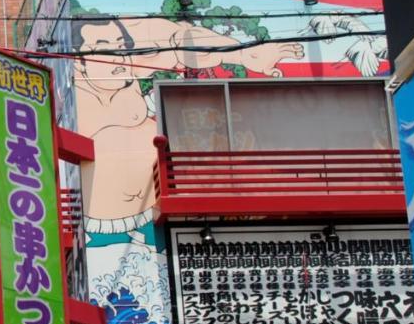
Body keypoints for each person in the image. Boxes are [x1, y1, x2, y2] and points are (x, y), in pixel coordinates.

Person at [72, 15, 304, 232]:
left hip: (164, 204)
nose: (119, 56)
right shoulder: (72, 97)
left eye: (122, 47)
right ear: (76, 61)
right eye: (103, 49)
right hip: (109, 219)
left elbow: (179, 39)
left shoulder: (125, 67)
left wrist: (241, 55)